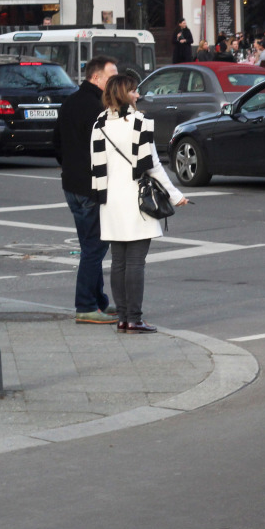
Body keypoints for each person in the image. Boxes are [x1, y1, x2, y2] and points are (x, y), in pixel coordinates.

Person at [90, 75, 188, 334]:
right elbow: (153, 165)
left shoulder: (99, 124)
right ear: (125, 94)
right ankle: (134, 318)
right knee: (135, 263)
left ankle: (123, 318)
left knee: (118, 263)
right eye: (134, 91)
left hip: (109, 201)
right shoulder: (139, 123)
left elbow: (96, 167)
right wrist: (176, 195)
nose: (137, 95)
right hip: (136, 200)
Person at [53, 54, 118, 325]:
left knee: (89, 247)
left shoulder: (70, 102)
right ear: (97, 78)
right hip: (92, 188)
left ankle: (98, 300)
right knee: (94, 248)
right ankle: (86, 305)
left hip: (72, 186)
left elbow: (56, 143)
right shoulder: (97, 108)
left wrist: (70, 166)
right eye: (112, 76)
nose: (116, 80)